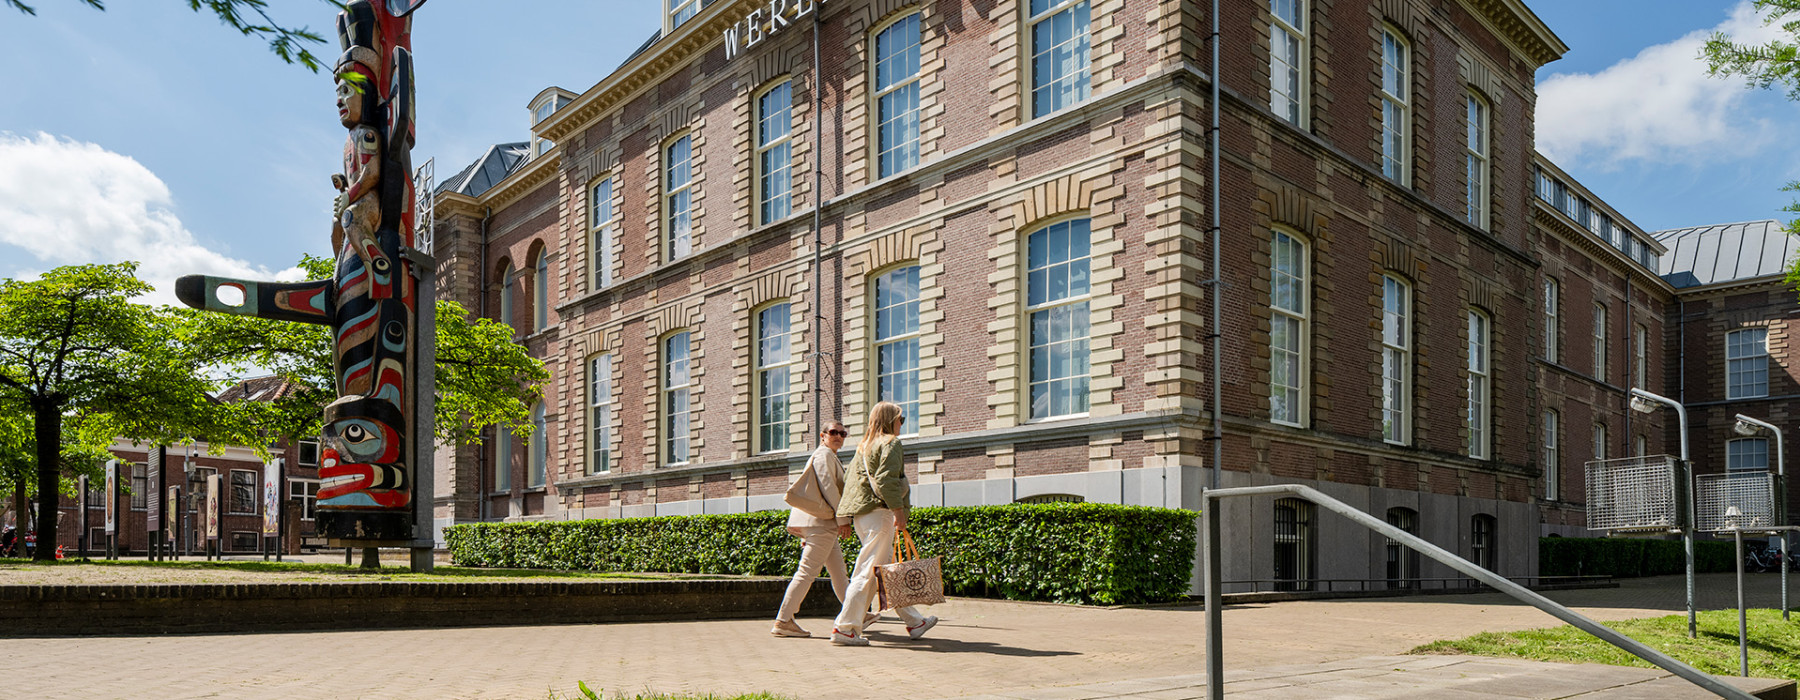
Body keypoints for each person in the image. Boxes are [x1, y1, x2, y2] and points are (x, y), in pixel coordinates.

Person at [829, 401, 938, 646]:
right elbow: (887, 480)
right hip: (880, 513)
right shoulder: (891, 443)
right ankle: (844, 628)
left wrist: (845, 518)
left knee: (884, 572)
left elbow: (849, 485)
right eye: (901, 418)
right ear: (891, 419)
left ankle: (915, 622)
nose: (902, 423)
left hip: (862, 515)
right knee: (867, 571)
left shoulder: (863, 447)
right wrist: (898, 511)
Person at [771, 421, 873, 637]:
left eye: (842, 433)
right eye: (833, 432)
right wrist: (843, 519)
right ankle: (783, 620)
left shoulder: (829, 456)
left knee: (839, 574)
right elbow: (829, 488)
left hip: (822, 524)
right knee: (807, 572)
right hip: (822, 524)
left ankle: (856, 613)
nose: (838, 436)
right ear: (823, 435)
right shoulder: (824, 455)